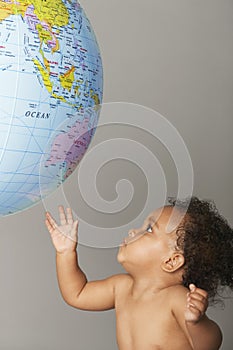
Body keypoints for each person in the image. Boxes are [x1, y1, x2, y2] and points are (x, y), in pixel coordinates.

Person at [45, 196, 233, 350]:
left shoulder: (175, 298)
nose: (134, 230)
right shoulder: (121, 288)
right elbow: (77, 293)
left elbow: (209, 344)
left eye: (149, 229)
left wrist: (196, 322)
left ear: (171, 261)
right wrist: (66, 253)